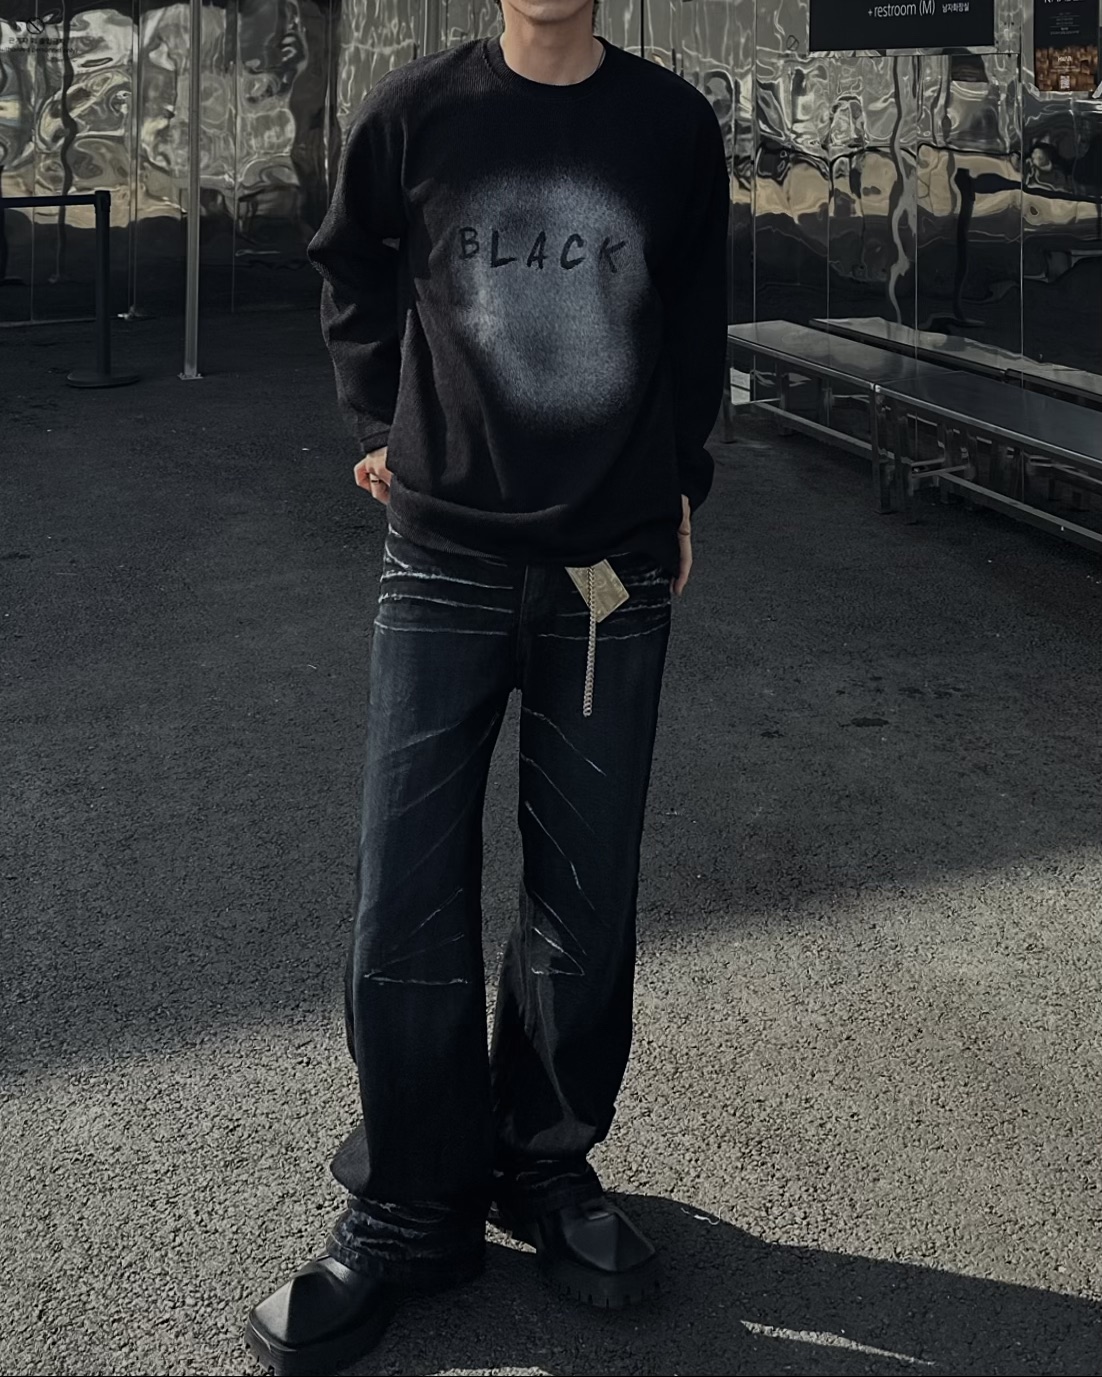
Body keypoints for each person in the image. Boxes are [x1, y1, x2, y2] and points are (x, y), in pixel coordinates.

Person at [245, 0, 728, 1369]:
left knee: (585, 890)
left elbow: (696, 314)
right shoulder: (416, 115)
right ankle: (411, 1203)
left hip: (608, 566)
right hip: (444, 557)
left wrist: (680, 483)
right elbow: (348, 261)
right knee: (404, 889)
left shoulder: (669, 125)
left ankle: (545, 1164)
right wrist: (376, 417)